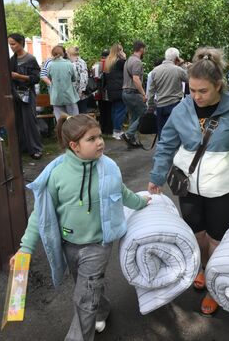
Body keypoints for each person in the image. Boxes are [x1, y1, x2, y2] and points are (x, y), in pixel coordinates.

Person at [11, 114, 150, 341]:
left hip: (98, 245)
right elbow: (41, 214)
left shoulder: (109, 167)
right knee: (87, 287)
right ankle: (102, 308)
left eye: (99, 136)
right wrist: (25, 248)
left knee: (84, 297)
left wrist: (142, 202)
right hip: (70, 245)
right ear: (74, 146)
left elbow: (122, 193)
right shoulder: (57, 175)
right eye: (92, 139)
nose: (100, 142)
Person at [147, 47, 229, 316]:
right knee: (196, 234)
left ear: (219, 86)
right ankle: (201, 267)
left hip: (225, 188)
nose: (196, 97)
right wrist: (156, 176)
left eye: (203, 91)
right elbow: (166, 144)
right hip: (188, 187)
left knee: (217, 239)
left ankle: (214, 286)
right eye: (192, 90)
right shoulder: (182, 108)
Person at [8, 33, 43, 160]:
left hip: (28, 94)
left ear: (21, 43)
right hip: (15, 94)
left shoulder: (31, 59)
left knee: (30, 121)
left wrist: (19, 76)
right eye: (10, 44)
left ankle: (36, 149)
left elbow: (36, 78)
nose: (11, 46)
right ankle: (23, 147)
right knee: (18, 121)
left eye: (13, 44)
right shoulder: (12, 60)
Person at [147, 47, 188, 137]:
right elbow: (189, 79)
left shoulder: (155, 71)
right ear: (177, 58)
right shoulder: (178, 70)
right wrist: (183, 65)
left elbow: (151, 91)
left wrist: (151, 105)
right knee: (174, 132)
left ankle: (161, 149)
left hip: (160, 105)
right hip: (175, 104)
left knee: (161, 131)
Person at [121, 40, 147, 147]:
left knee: (134, 116)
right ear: (141, 49)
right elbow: (136, 79)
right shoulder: (137, 62)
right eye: (144, 49)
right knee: (144, 114)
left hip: (125, 93)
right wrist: (143, 94)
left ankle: (130, 140)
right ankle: (128, 134)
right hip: (133, 92)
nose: (145, 51)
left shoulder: (128, 60)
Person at [101, 44, 128, 140]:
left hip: (111, 90)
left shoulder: (108, 62)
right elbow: (127, 70)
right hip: (120, 89)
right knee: (121, 110)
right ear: (119, 51)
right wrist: (125, 58)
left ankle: (115, 130)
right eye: (121, 50)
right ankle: (117, 131)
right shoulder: (120, 62)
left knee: (115, 110)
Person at [47, 46, 79, 120]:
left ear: (53, 54)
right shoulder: (69, 64)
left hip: (56, 97)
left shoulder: (50, 65)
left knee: (60, 121)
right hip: (69, 96)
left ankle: (62, 132)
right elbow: (74, 79)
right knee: (74, 119)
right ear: (63, 54)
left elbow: (49, 78)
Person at [92, 49, 113, 135]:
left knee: (102, 110)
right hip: (109, 91)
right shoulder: (111, 65)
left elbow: (93, 78)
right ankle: (109, 129)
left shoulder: (95, 65)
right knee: (109, 110)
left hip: (99, 91)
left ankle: (102, 128)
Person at [67, 46, 90, 114]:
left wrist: (81, 91)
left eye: (67, 53)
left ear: (70, 54)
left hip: (79, 94)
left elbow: (84, 78)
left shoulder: (80, 63)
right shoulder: (71, 62)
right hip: (73, 94)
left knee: (81, 115)